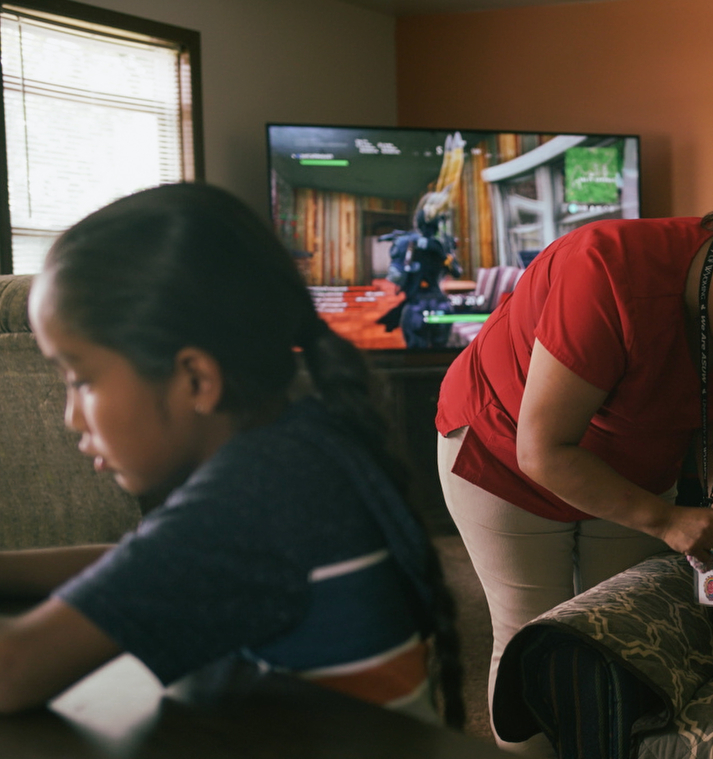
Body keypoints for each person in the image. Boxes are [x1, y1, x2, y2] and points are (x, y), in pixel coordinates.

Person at [0, 183, 463, 726]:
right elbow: (141, 562)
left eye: (80, 381)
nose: (71, 417)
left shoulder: (253, 495)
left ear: (196, 378)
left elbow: (12, 670)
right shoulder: (297, 446)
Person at [434, 196, 713, 742]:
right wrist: (664, 521)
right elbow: (541, 451)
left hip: (631, 469)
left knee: (619, 633)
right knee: (533, 635)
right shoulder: (606, 269)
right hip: (506, 454)